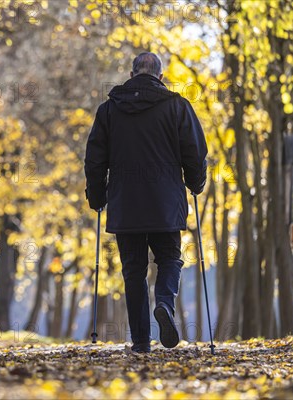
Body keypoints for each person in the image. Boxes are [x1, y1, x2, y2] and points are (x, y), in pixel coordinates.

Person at [84, 52, 208, 353]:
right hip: (165, 203)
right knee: (169, 260)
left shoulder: (109, 111)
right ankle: (164, 303)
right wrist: (196, 182)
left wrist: (97, 196)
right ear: (161, 77)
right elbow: (195, 152)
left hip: (126, 204)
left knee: (133, 271)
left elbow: (95, 160)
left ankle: (141, 341)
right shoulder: (178, 107)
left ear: (131, 74)